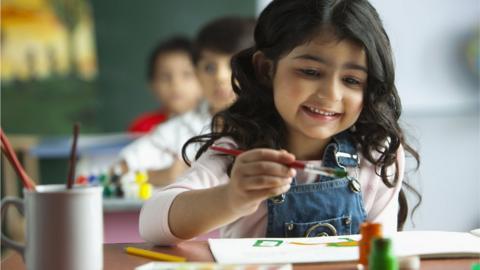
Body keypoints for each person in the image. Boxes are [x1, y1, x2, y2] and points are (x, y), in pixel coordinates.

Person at [139, 0, 420, 245]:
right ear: (266, 69)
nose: (330, 94)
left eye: (351, 80)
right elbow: (151, 223)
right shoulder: (238, 151)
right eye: (310, 71)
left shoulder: (376, 154)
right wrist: (231, 197)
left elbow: (381, 253)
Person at [116, 17, 256, 186]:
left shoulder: (275, 122)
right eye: (209, 67)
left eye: (233, 65)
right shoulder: (176, 129)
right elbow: (117, 171)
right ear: (196, 72)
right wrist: (162, 176)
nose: (220, 76)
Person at [127, 36, 202, 133]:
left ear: (204, 80)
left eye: (187, 74)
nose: (175, 84)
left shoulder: (213, 125)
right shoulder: (141, 127)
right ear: (152, 85)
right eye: (165, 77)